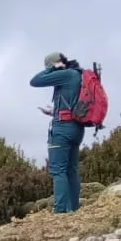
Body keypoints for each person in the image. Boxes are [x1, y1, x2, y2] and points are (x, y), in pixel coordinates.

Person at [31, 52, 87, 213]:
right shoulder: (78, 75)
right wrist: (53, 111)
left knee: (58, 170)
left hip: (63, 128)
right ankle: (74, 209)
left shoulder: (66, 74)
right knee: (72, 169)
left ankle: (60, 212)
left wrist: (51, 68)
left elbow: (35, 81)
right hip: (77, 127)